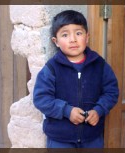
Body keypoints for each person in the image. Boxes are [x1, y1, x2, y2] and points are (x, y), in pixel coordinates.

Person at [33, 10, 119, 148]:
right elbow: (41, 99)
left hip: (92, 138)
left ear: (87, 37)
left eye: (78, 33)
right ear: (56, 41)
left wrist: (99, 110)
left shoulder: (99, 65)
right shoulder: (52, 68)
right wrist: (67, 110)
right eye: (65, 35)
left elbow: (111, 91)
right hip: (60, 140)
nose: (73, 39)